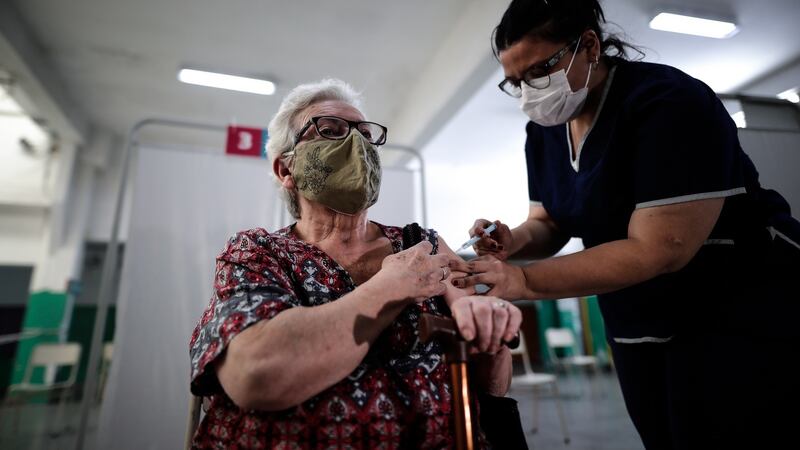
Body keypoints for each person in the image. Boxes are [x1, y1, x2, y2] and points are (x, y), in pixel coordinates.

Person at [448, 0, 800, 448]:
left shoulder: (668, 103)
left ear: (589, 45)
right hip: (637, 322)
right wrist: (512, 240)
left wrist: (522, 281)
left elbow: (660, 247)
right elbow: (550, 221)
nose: (529, 93)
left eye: (538, 72)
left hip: (737, 310)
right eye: (515, 83)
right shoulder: (545, 132)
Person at [188, 79, 522, 449]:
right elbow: (258, 374)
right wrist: (391, 286)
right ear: (286, 170)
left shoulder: (421, 244)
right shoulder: (258, 252)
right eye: (330, 131)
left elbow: (493, 383)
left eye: (366, 134)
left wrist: (491, 335)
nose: (357, 144)